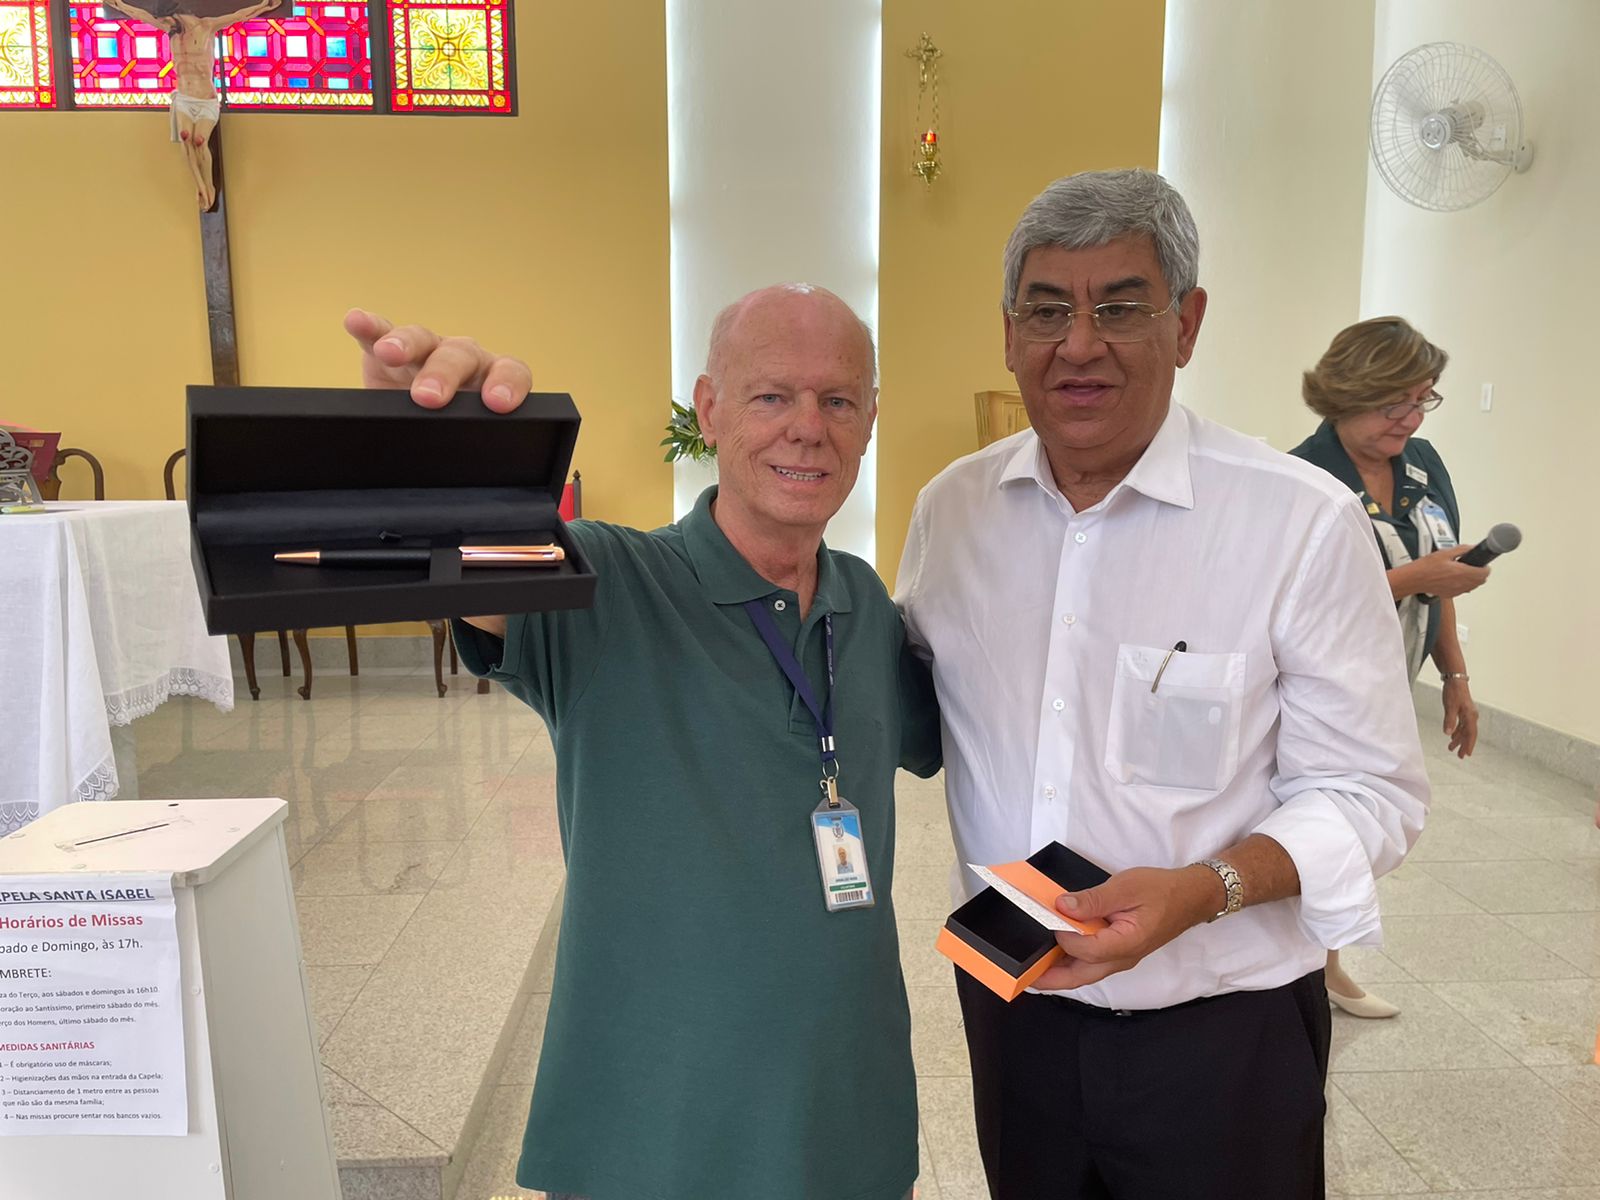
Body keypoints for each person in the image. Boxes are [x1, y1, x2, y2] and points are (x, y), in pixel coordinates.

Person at [895, 168, 1429, 1199]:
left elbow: (1372, 794)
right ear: (1008, 334)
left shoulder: (1298, 522)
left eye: (1120, 307)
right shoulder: (952, 513)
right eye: (1046, 310)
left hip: (1223, 1039)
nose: (1078, 344)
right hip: (1015, 1015)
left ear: (1185, 325)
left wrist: (1203, 889)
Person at [342, 285, 939, 1200]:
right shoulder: (607, 581)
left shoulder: (866, 606)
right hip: (650, 1131)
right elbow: (461, 554)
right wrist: (433, 458)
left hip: (844, 1121)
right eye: (772, 395)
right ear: (709, 409)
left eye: (838, 400)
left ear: (868, 421)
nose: (808, 428)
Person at [1291, 317, 1487, 1020]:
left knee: (1363, 821)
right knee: (1319, 819)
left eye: (1422, 399)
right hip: (1317, 688)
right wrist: (1413, 578)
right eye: (1392, 403)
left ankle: (1325, 964)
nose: (1410, 418)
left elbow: (1443, 576)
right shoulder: (1302, 477)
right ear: (1346, 393)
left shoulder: (1423, 463)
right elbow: (1294, 603)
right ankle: (1311, 969)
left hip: (1391, 679)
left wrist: (1456, 677)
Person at [108, 0, 280, 211]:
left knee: (200, 141)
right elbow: (141, 15)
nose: (163, 24)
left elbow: (239, 15)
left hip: (205, 98)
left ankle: (209, 185)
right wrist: (119, 5)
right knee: (185, 137)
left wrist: (264, 5)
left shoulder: (207, 26)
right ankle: (200, 187)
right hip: (184, 97)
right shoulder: (170, 27)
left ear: (175, 15)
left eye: (165, 19)